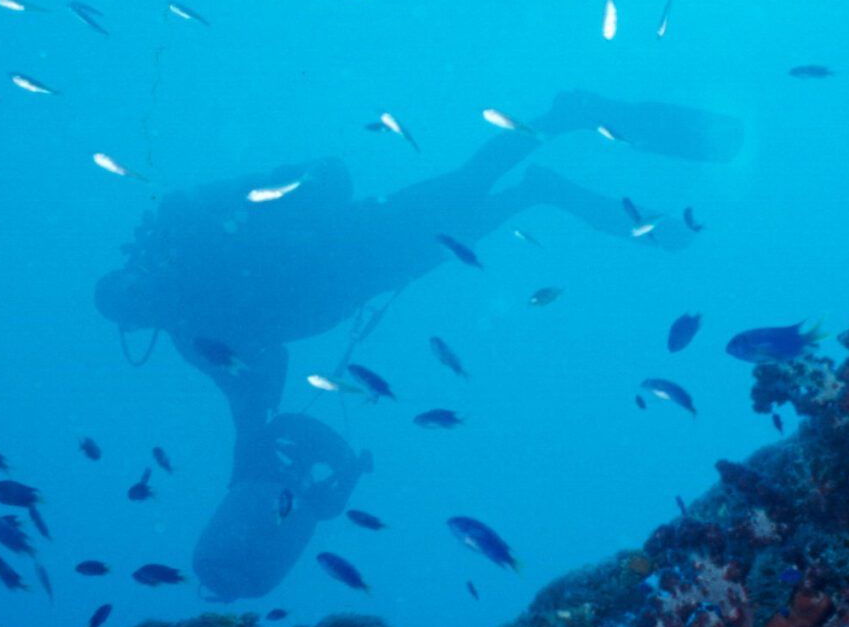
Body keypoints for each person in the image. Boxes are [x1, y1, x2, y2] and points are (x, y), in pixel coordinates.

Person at [95, 91, 741, 596]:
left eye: (142, 297)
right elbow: (254, 391)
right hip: (361, 274)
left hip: (358, 241)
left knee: (466, 189)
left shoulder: (201, 253)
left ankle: (559, 115)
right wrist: (250, 471)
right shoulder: (191, 327)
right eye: (142, 309)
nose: (151, 304)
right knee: (472, 210)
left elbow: (261, 364)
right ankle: (548, 176)